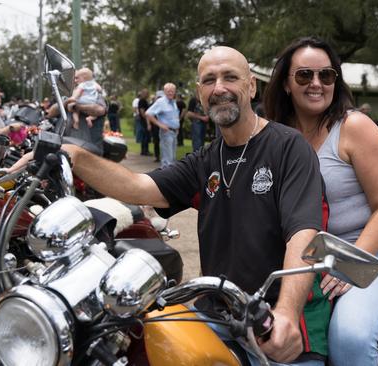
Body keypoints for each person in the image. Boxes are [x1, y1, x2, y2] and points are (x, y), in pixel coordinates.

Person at [62, 46, 324, 365]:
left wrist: (286, 311)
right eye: (209, 80)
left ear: (252, 86)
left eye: (230, 77)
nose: (219, 88)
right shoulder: (205, 159)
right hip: (217, 313)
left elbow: (303, 232)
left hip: (272, 321)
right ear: (200, 93)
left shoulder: (288, 147)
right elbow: (139, 186)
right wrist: (73, 156)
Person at [263, 36, 378, 366]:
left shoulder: (354, 126)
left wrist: (349, 265)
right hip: (310, 252)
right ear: (286, 84)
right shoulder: (278, 134)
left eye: (326, 75)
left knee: (349, 339)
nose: (316, 84)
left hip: (371, 249)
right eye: (304, 76)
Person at [145, 84, 180, 168]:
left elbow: (174, 116)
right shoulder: (161, 102)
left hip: (174, 133)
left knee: (172, 158)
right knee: (168, 160)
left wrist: (177, 127)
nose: (170, 93)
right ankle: (167, 179)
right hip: (166, 133)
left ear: (175, 92)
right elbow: (148, 113)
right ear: (164, 92)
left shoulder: (173, 102)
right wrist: (160, 124)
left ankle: (169, 178)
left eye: (172, 91)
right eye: (168, 91)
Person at [136, 89, 152, 156]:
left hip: (145, 120)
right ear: (143, 94)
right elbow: (142, 111)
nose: (147, 94)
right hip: (144, 120)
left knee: (146, 136)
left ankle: (145, 150)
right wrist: (147, 119)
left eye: (147, 93)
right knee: (145, 136)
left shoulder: (144, 100)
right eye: (146, 93)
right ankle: (145, 151)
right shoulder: (142, 101)